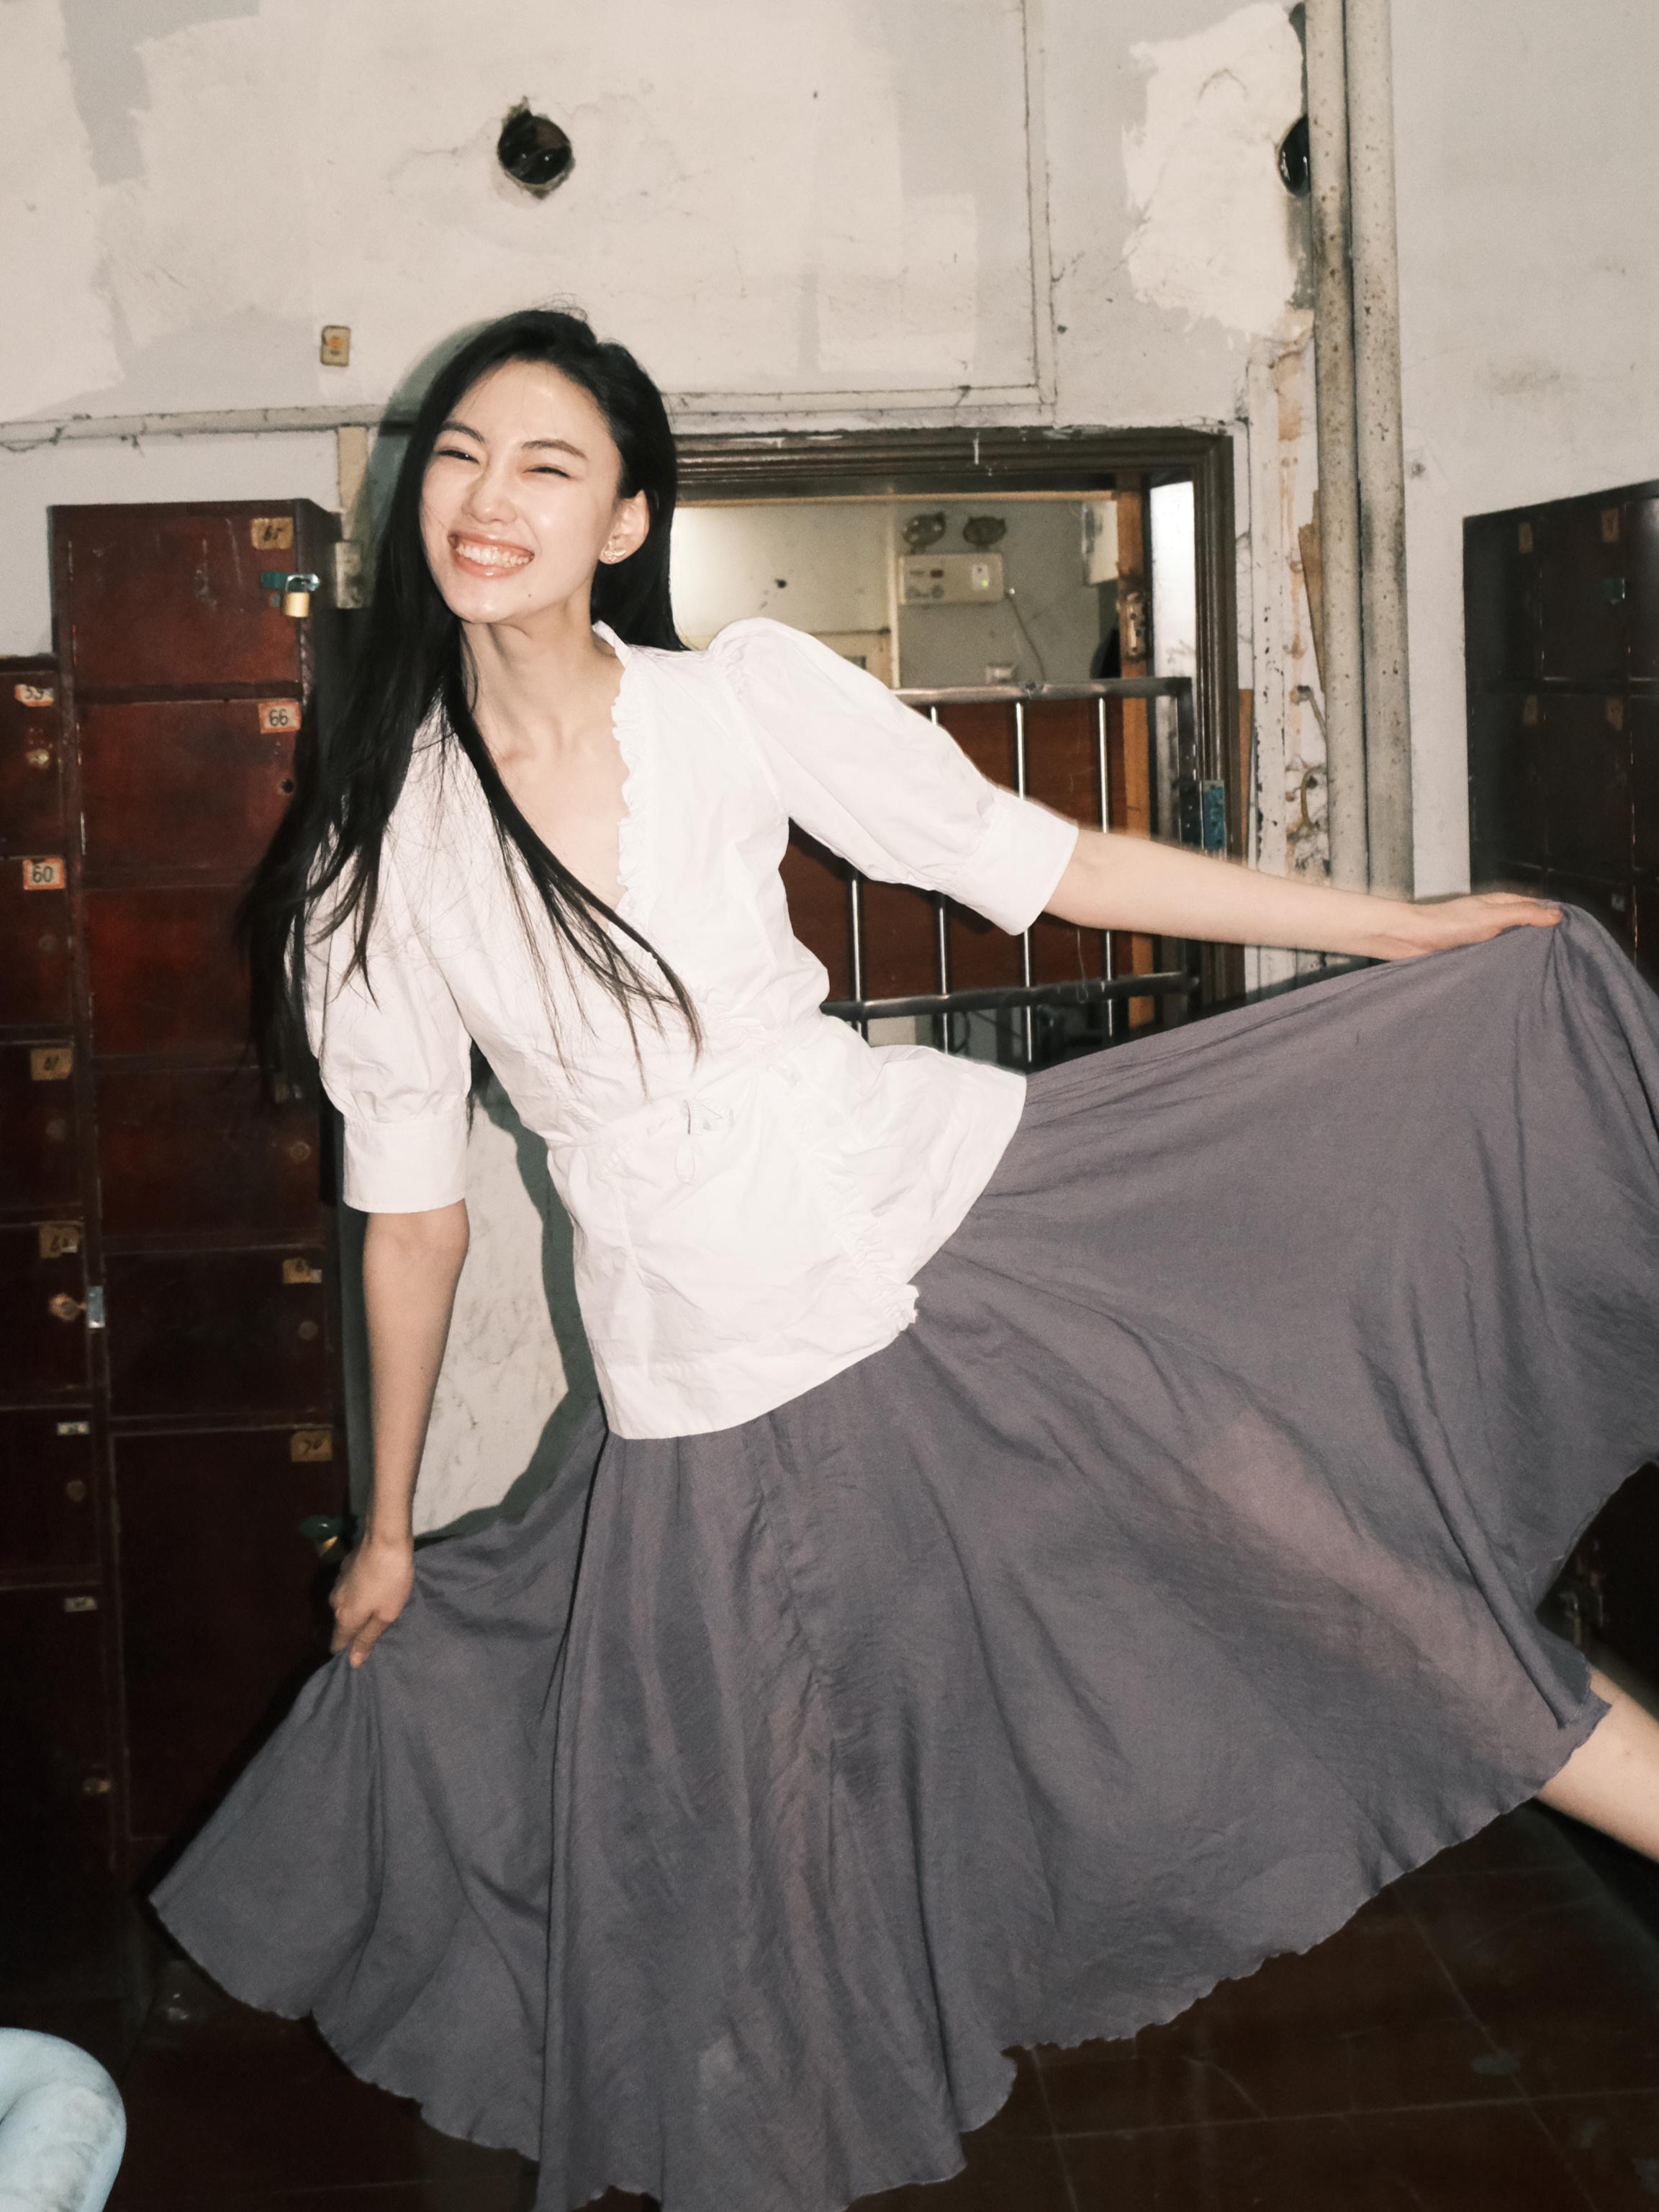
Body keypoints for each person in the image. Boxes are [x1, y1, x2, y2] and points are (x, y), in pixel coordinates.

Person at [154, 310, 1659, 2212]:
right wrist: (383, 1524)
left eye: (546, 464)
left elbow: (1048, 866)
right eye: (457, 453)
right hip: (704, 1385)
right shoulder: (379, 851)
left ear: (623, 521)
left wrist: (1404, 928)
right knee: (758, 1868)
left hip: (968, 1244)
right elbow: (412, 1211)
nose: (488, 497)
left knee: (1355, 1592)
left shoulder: (734, 701)